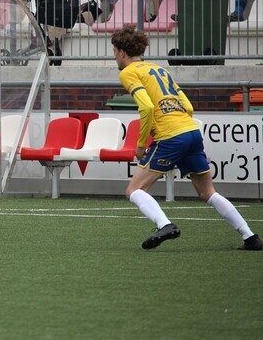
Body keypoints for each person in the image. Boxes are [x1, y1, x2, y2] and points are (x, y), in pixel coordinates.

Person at [111, 25, 262, 251]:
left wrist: (141, 144)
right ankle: (250, 237)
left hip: (171, 136)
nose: (114, 56)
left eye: (114, 51)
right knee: (207, 192)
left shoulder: (128, 72)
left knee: (134, 190)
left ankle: (165, 224)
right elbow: (188, 106)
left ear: (122, 52)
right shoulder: (159, 69)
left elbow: (147, 107)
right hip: (191, 131)